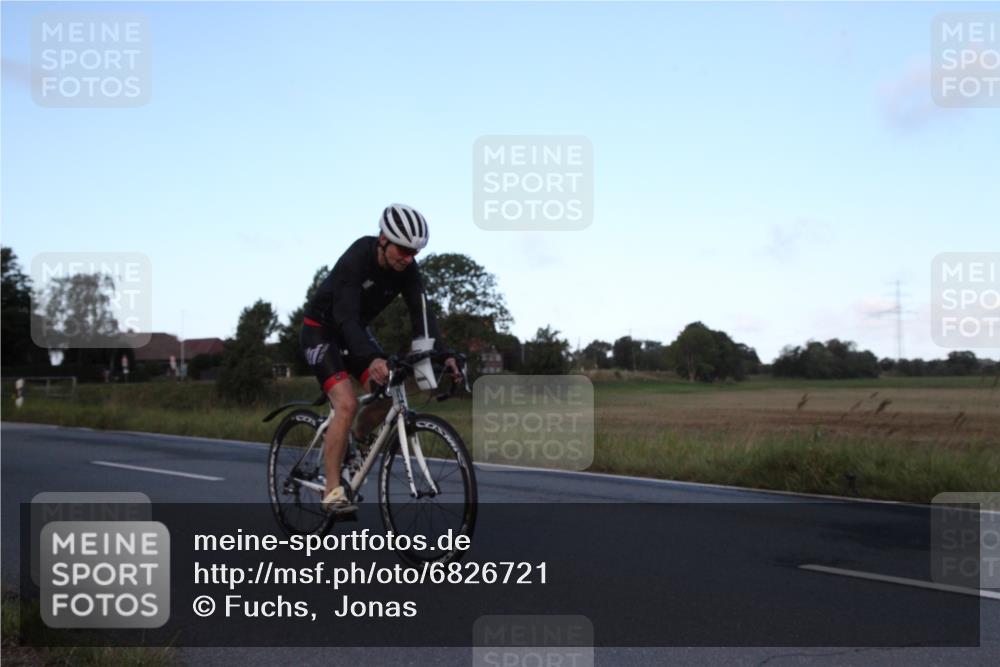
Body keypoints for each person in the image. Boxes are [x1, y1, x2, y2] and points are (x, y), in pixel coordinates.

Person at [300, 204, 461, 514]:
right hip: (322, 332)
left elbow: (422, 314)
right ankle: (332, 491)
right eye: (403, 249)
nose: (408, 258)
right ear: (384, 238)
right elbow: (345, 317)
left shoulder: (407, 269)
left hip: (355, 334)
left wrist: (445, 354)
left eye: (415, 252)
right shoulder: (358, 257)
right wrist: (372, 357)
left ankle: (357, 444)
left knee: (391, 387)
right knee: (345, 404)